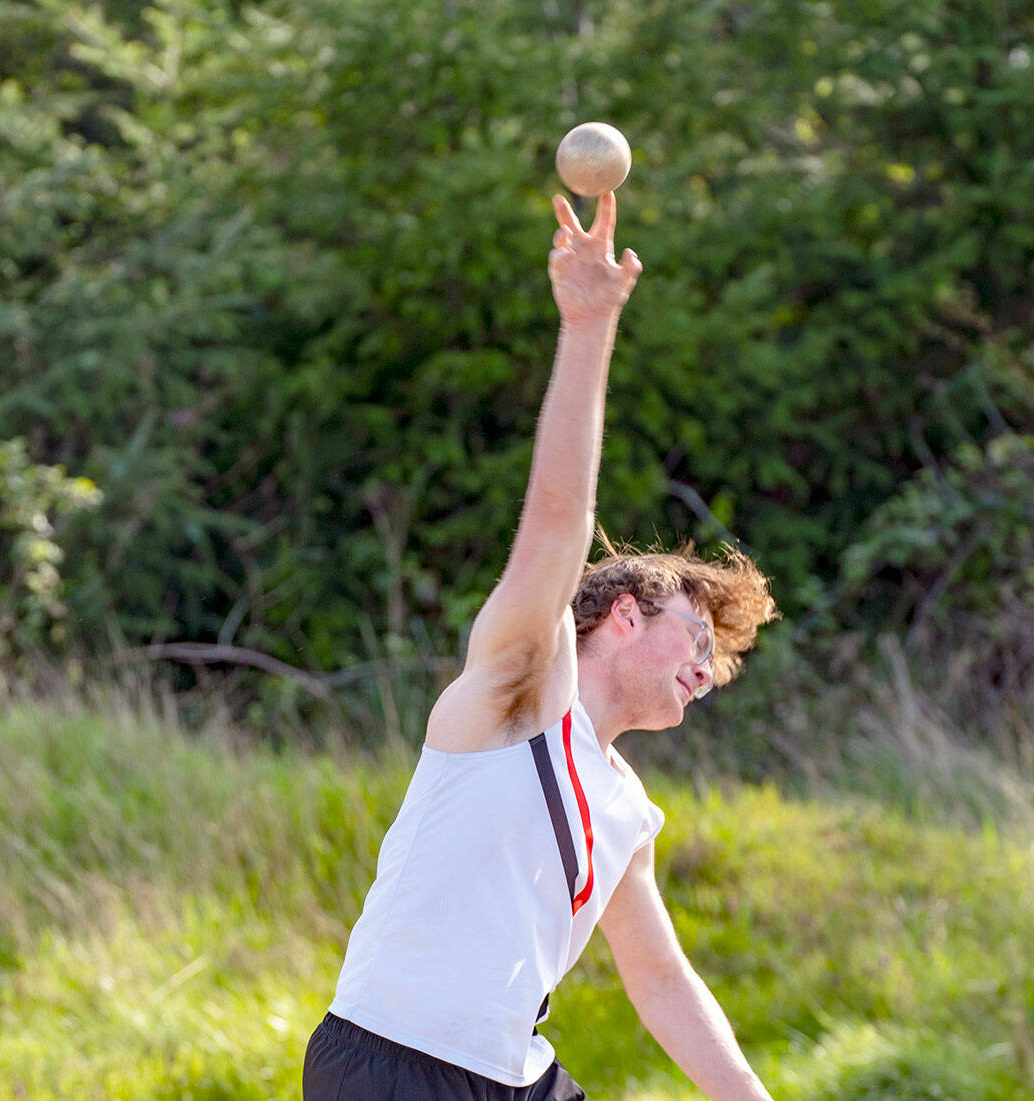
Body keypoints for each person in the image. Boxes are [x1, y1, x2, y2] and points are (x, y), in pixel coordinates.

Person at [303, 191, 778, 1100]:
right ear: (626, 615)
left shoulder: (628, 807)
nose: (707, 667)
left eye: (719, 661)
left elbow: (662, 981)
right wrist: (589, 324)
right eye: (698, 632)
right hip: (393, 1066)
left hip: (515, 1076)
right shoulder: (520, 694)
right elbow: (560, 518)